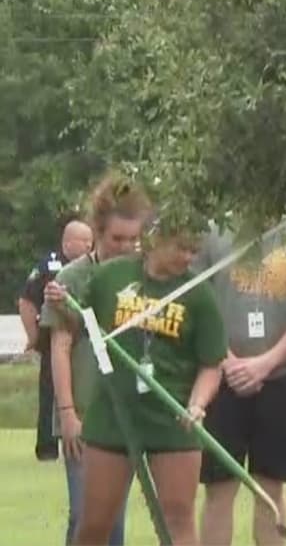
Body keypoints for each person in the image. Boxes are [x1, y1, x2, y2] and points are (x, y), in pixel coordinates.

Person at [68, 223, 228, 546]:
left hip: (173, 418)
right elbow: (76, 322)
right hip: (113, 415)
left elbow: (212, 365)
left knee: (178, 521)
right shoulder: (110, 277)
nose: (188, 257)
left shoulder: (199, 294)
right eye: (181, 247)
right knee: (94, 524)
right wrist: (60, 302)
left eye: (193, 250)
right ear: (156, 239)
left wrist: (197, 404)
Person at [41, 176, 150, 546]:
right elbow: (60, 346)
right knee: (87, 515)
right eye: (117, 238)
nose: (126, 247)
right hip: (85, 414)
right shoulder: (72, 278)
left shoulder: (143, 277)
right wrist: (68, 413)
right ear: (98, 232)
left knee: (112, 516)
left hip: (127, 414)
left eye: (133, 239)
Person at [196, 222, 286, 546]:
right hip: (221, 381)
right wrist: (227, 360)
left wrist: (266, 363)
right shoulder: (212, 234)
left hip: (282, 379)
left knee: (270, 489)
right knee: (219, 488)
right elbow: (196, 302)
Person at [19, 219, 94, 461]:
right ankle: (47, 448)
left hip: (83, 342)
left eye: (90, 241)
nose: (89, 245)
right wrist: (33, 337)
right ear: (67, 242)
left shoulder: (94, 267)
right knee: (51, 391)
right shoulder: (50, 265)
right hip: (54, 337)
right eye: (83, 241)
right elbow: (26, 301)